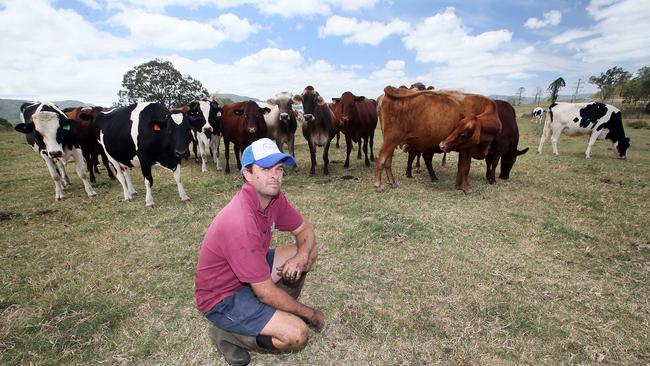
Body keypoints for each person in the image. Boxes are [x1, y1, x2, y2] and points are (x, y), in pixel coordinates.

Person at [194, 137, 325, 365]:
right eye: (265, 169)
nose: (275, 175)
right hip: (222, 298)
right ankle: (225, 335)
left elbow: (305, 230)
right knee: (297, 334)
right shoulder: (240, 221)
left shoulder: (274, 199)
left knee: (308, 251)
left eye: (279, 168)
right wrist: (310, 314)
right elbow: (265, 292)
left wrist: (301, 257)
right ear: (247, 173)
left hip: (249, 275)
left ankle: (272, 312)